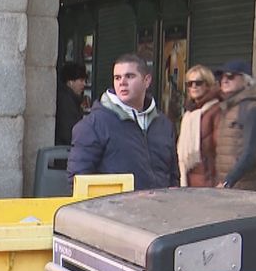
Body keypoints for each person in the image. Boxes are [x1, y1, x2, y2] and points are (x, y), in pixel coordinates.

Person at [67, 53, 178, 191]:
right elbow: (78, 181)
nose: (122, 82)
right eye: (117, 77)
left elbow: (173, 177)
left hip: (159, 209)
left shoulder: (164, 124)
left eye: (129, 76)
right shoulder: (93, 124)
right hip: (113, 210)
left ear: (147, 80)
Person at [213, 59, 256, 192]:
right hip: (232, 189)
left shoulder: (253, 108)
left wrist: (227, 182)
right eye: (221, 76)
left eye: (230, 76)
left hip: (248, 190)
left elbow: (250, 153)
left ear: (246, 80)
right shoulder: (229, 108)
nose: (224, 80)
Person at [177, 64, 221, 187]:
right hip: (189, 179)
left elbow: (221, 150)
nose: (194, 87)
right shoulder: (188, 115)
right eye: (189, 84)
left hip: (210, 180)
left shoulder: (216, 110)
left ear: (208, 84)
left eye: (198, 83)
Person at [54, 61, 88, 146]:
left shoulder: (72, 100)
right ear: (70, 82)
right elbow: (69, 134)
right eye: (81, 80)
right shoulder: (66, 101)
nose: (84, 84)